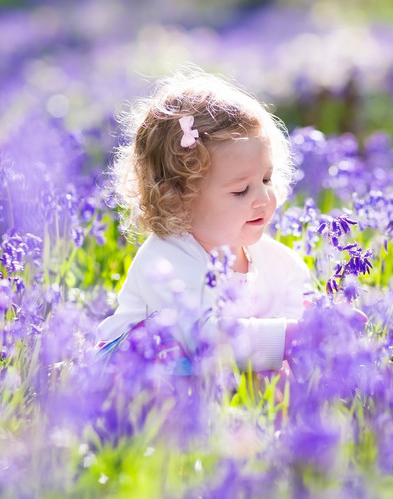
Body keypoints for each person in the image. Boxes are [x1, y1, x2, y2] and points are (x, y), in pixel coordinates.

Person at [97, 68, 314, 373]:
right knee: (180, 360)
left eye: (266, 179)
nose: (264, 198)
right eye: (240, 190)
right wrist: (289, 336)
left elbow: (296, 295)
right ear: (178, 199)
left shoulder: (273, 258)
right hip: (138, 372)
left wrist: (316, 319)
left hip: (217, 367)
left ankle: (262, 415)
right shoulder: (166, 262)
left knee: (273, 371)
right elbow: (202, 338)